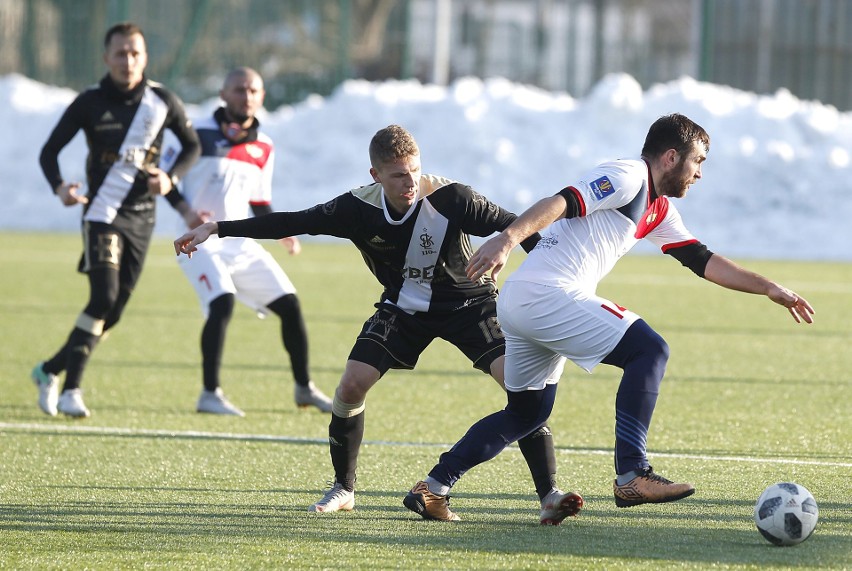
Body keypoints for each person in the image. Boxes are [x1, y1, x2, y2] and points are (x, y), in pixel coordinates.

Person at [403, 113, 815, 522]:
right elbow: (562, 201)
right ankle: (632, 473)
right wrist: (508, 238)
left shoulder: (659, 208)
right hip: (546, 295)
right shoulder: (628, 175)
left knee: (527, 414)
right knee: (649, 350)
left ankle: (434, 487)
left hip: (526, 301)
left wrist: (768, 288)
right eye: (699, 162)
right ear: (671, 157)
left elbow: (703, 261)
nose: (700, 174)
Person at [175, 124, 583, 525]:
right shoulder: (358, 208)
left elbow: (520, 228)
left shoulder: (453, 198)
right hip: (403, 309)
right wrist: (217, 228)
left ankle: (548, 495)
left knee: (520, 386)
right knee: (351, 384)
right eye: (398, 175)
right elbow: (292, 221)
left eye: (415, 171)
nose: (410, 182)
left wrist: (542, 270)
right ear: (376, 175)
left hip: (470, 304)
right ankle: (343, 489)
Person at [32, 22, 202, 418]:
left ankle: (48, 370)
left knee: (115, 311)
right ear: (106, 57)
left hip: (142, 217)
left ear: (144, 57)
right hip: (101, 214)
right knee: (102, 298)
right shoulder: (89, 102)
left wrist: (171, 177)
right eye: (120, 53)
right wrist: (60, 188)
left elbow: (191, 145)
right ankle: (72, 388)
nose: (128, 60)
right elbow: (48, 152)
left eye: (135, 53)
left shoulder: (162, 100)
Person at [174, 67, 332, 416]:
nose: (246, 96)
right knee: (222, 303)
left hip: (238, 241)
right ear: (223, 93)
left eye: (253, 90)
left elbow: (259, 201)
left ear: (261, 97)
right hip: (196, 242)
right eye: (238, 89)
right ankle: (209, 393)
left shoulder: (263, 145)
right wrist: (187, 215)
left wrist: (280, 231)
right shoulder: (196, 133)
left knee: (290, 306)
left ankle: (304, 388)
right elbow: (168, 182)